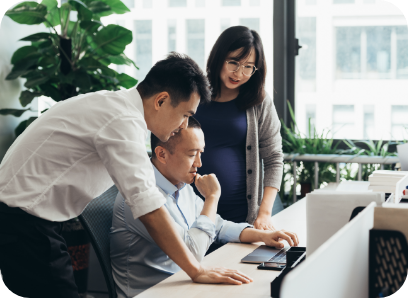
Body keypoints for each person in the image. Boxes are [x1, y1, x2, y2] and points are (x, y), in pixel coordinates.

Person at [0, 53, 252, 298]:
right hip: (23, 221)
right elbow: (148, 207)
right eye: (185, 115)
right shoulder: (122, 121)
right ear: (161, 100)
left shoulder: (118, 108)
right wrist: (196, 270)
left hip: (28, 218)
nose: (184, 125)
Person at [110, 117, 299, 298]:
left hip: (185, 285)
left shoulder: (181, 186)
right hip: (155, 293)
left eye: (201, 153)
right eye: (192, 154)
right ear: (162, 154)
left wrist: (263, 236)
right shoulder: (140, 197)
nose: (199, 164)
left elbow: (216, 226)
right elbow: (192, 254)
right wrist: (212, 198)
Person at [193, 26, 283, 230]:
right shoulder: (194, 93)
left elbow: (274, 158)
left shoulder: (259, 102)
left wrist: (264, 214)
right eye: (233, 62)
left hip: (241, 216)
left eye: (248, 67)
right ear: (219, 57)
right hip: (192, 212)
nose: (239, 73)